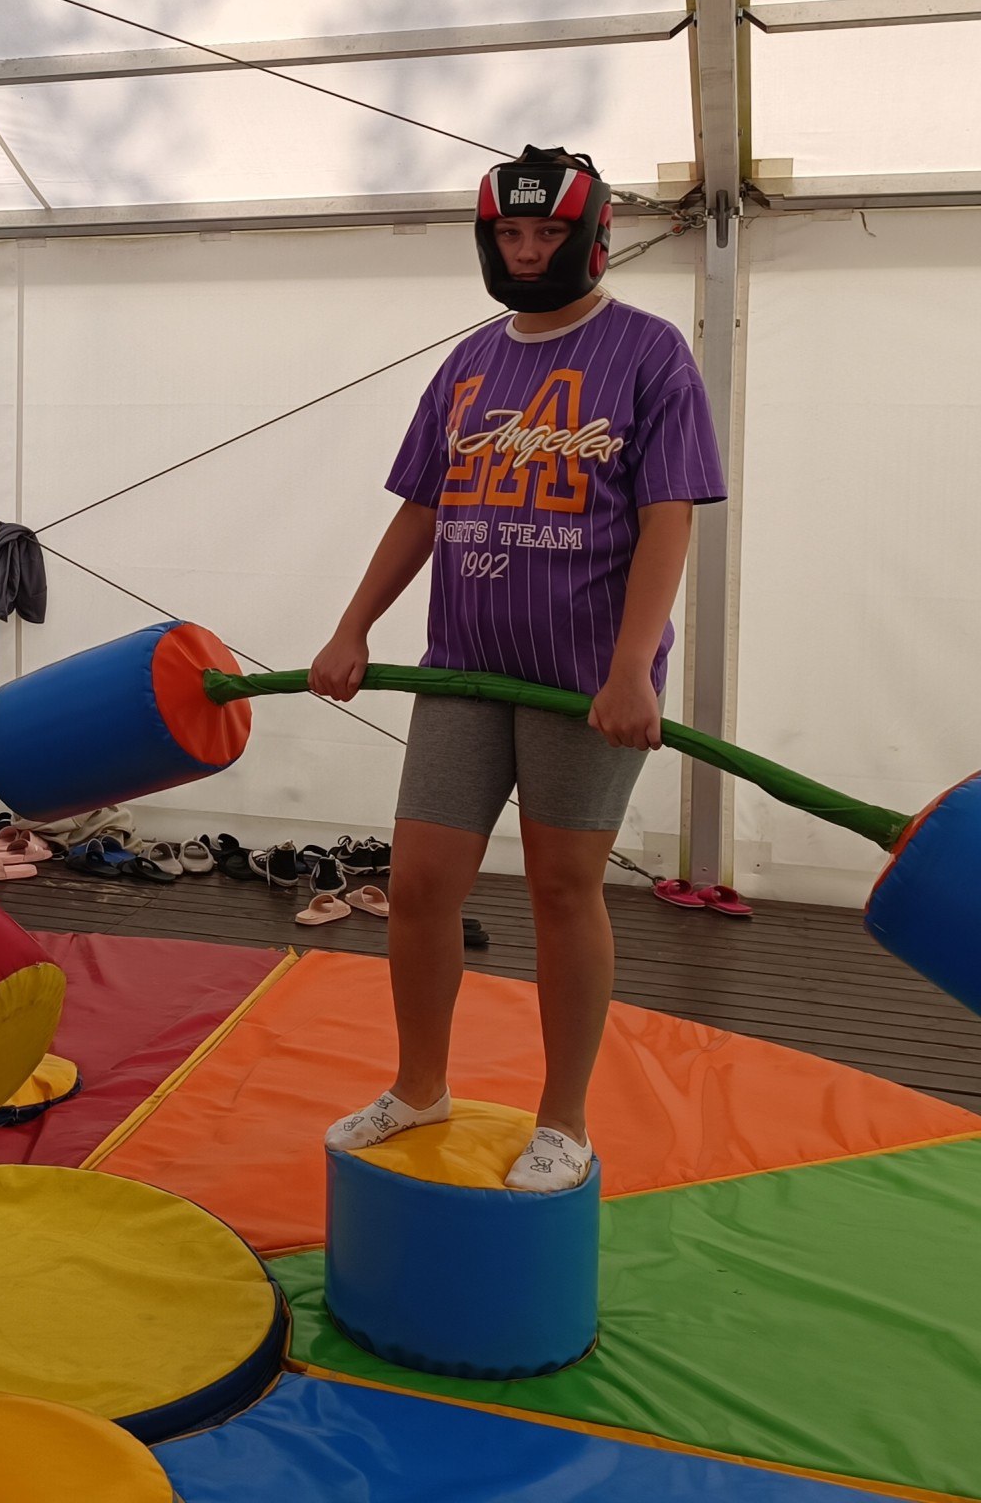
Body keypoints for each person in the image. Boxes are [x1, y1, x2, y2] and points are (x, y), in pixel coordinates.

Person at [310, 146, 725, 1193]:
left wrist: (631, 667)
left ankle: (563, 1121)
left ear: (590, 237)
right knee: (418, 884)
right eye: (511, 233)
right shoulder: (467, 363)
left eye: (546, 233)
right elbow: (424, 506)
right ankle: (418, 1087)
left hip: (584, 679)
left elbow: (667, 515)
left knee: (561, 887)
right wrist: (353, 626)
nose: (529, 251)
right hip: (462, 668)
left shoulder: (650, 351)